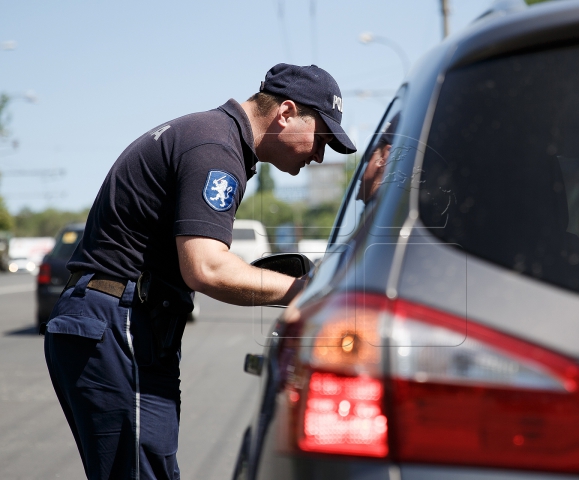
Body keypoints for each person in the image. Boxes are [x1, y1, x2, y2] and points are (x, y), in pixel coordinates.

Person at [43, 63, 356, 480]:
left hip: (118, 323)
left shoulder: (211, 136)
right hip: (118, 324)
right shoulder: (215, 149)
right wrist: (307, 290)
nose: (319, 155)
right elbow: (206, 267)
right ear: (285, 113)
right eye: (322, 138)